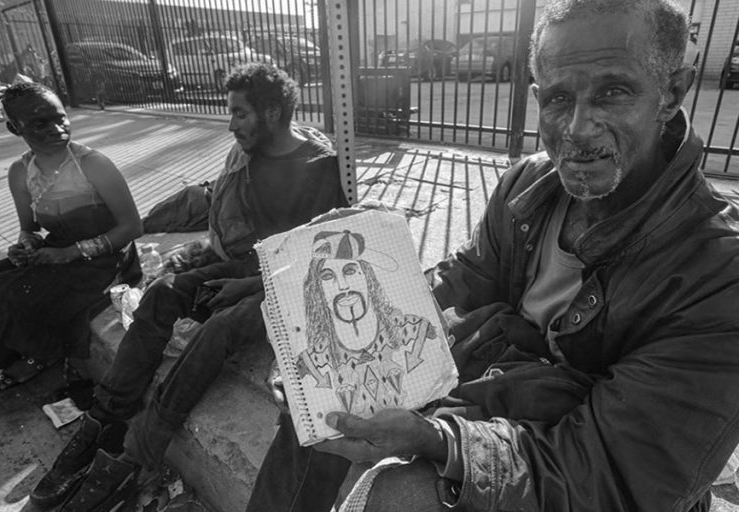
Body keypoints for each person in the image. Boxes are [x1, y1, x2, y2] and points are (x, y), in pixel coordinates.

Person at [246, 1, 739, 511]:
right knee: (323, 411)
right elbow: (469, 276)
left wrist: (437, 440)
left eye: (613, 92)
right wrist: (349, 315)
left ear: (672, 93)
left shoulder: (718, 277)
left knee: (398, 497)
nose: (577, 128)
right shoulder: (528, 185)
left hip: (582, 461)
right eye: (558, 98)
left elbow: (615, 473)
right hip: (506, 397)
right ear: (535, 97)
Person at [30, 63, 348, 511]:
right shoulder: (247, 156)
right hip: (247, 264)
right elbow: (211, 202)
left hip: (291, 282)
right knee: (164, 291)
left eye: (240, 114)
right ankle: (103, 420)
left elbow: (315, 256)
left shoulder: (322, 169)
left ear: (273, 112)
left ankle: (136, 454)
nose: (231, 124)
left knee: (218, 329)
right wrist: (147, 226)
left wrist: (248, 286)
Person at [0, 82, 142, 392]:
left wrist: (70, 253)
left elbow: (131, 228)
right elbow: (30, 229)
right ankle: (31, 351)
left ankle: (39, 355)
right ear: (14, 128)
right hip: (56, 253)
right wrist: (25, 246)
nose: (57, 128)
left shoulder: (94, 164)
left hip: (107, 261)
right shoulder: (20, 172)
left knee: (18, 295)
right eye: (40, 123)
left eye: (60, 117)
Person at [299, 229, 440, 414]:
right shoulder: (318, 352)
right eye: (327, 276)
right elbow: (299, 374)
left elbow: (433, 338)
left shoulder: (405, 327)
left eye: (349, 271)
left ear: (368, 278)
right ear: (318, 292)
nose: (343, 286)